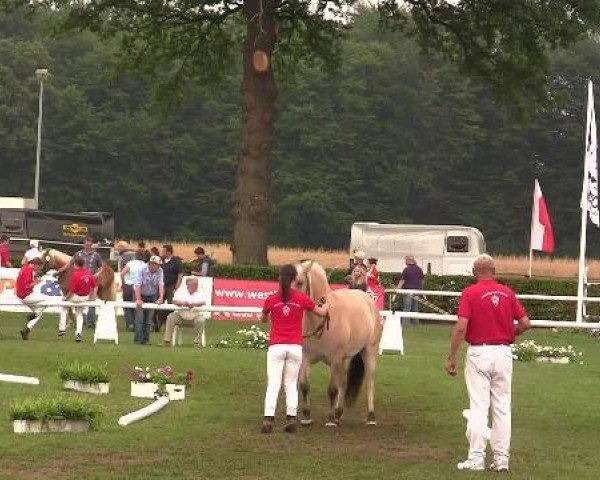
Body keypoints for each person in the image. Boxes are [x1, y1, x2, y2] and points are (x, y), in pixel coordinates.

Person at [445, 254, 530, 472]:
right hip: (503, 353)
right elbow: (525, 323)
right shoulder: (507, 292)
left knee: (479, 407)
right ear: (494, 270)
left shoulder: (470, 293)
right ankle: (502, 458)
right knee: (502, 408)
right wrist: (511, 333)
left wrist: (452, 356)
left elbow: (462, 326)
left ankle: (476, 457)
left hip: (479, 354)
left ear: (474, 272)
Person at [260, 264, 329, 434]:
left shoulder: (271, 299)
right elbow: (321, 313)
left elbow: (262, 319)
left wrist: (270, 317)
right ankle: (291, 418)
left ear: (279, 278)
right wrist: (326, 305)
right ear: (293, 279)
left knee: (273, 384)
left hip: (276, 346)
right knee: (291, 383)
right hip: (295, 346)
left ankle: (268, 419)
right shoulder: (301, 298)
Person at [56, 237, 103, 328]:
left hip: (91, 280)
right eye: (86, 244)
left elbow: (101, 267)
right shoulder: (78, 254)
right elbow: (69, 264)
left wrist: (97, 274)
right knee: (79, 301)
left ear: (91, 244)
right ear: (84, 244)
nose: (88, 246)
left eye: (89, 244)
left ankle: (91, 322)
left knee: (92, 300)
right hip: (80, 281)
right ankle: (81, 320)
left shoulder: (96, 255)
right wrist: (59, 271)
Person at [59, 257, 98, 342]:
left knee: (63, 306)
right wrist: (94, 296)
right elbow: (95, 286)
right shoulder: (88, 273)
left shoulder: (75, 275)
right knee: (79, 314)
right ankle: (78, 333)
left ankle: (62, 328)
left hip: (76, 297)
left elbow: (72, 291)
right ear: (83, 264)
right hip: (85, 298)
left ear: (75, 265)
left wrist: (66, 299)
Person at [162, 277, 206, 346]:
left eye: (197, 284)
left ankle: (197, 342)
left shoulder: (200, 290)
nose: (197, 285)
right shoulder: (181, 290)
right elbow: (174, 301)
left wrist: (195, 304)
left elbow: (203, 302)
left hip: (194, 317)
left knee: (201, 320)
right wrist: (184, 303)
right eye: (195, 284)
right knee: (170, 317)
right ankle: (167, 341)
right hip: (181, 316)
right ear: (188, 284)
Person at [134, 255, 165, 344]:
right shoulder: (142, 270)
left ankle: (146, 340)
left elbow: (161, 284)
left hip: (152, 295)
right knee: (139, 319)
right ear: (151, 264)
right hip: (141, 294)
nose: (158, 267)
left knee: (148, 320)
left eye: (159, 265)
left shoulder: (160, 271)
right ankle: (137, 340)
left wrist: (161, 297)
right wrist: (138, 299)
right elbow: (137, 285)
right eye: (157, 265)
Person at [16, 257, 45, 340]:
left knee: (39, 312)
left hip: (22, 294)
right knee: (46, 302)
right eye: (39, 267)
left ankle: (27, 329)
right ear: (36, 265)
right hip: (26, 295)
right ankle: (33, 315)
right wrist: (37, 282)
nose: (39, 269)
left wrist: (34, 279)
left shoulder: (25, 268)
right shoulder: (28, 270)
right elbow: (27, 285)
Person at [156, 244, 183, 331]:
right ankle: (157, 323)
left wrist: (176, 287)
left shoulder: (176, 261)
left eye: (163, 251)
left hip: (171, 286)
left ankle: (166, 321)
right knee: (157, 304)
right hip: (161, 286)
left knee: (171, 305)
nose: (162, 253)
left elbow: (180, 274)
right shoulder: (160, 261)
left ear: (168, 252)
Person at [120, 251, 147, 332]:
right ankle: (137, 324)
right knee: (137, 307)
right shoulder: (145, 265)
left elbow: (122, 274)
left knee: (127, 306)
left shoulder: (130, 263)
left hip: (128, 286)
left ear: (135, 256)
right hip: (138, 288)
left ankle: (130, 323)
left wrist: (124, 283)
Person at [397, 255, 424, 325]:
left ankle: (405, 324)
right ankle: (416, 323)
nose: (405, 262)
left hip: (408, 290)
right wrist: (422, 289)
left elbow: (402, 281)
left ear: (408, 261)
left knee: (407, 307)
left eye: (405, 260)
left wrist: (397, 290)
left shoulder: (406, 270)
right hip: (417, 290)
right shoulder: (419, 269)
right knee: (415, 307)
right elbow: (422, 281)